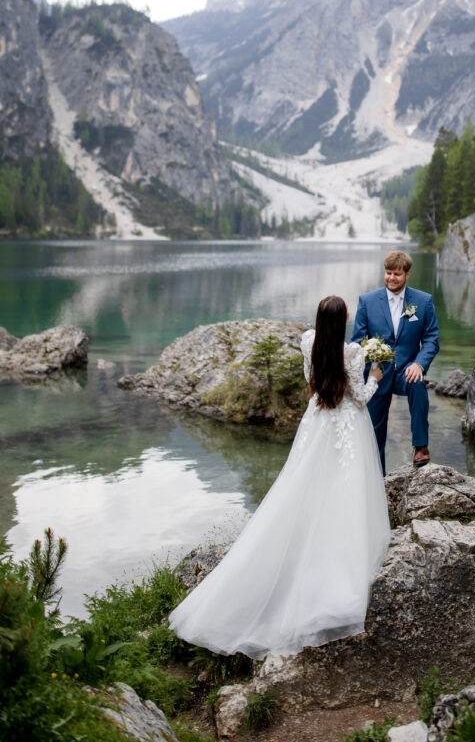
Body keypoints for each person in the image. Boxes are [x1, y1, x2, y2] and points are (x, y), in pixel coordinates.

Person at [168, 296, 390, 659]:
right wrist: (376, 378)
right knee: (344, 492)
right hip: (347, 427)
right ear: (345, 319)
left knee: (302, 486)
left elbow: (311, 382)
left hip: (317, 422)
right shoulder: (353, 354)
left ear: (320, 319)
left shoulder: (309, 342)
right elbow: (361, 398)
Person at [351, 250, 439, 475]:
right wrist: (368, 362)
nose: (391, 278)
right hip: (376, 374)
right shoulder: (367, 301)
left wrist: (419, 364)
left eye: (397, 274)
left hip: (406, 370)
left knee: (417, 384)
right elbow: (356, 343)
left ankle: (420, 446)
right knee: (374, 434)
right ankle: (376, 480)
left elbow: (431, 339)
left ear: (407, 274)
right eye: (388, 273)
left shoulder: (423, 301)